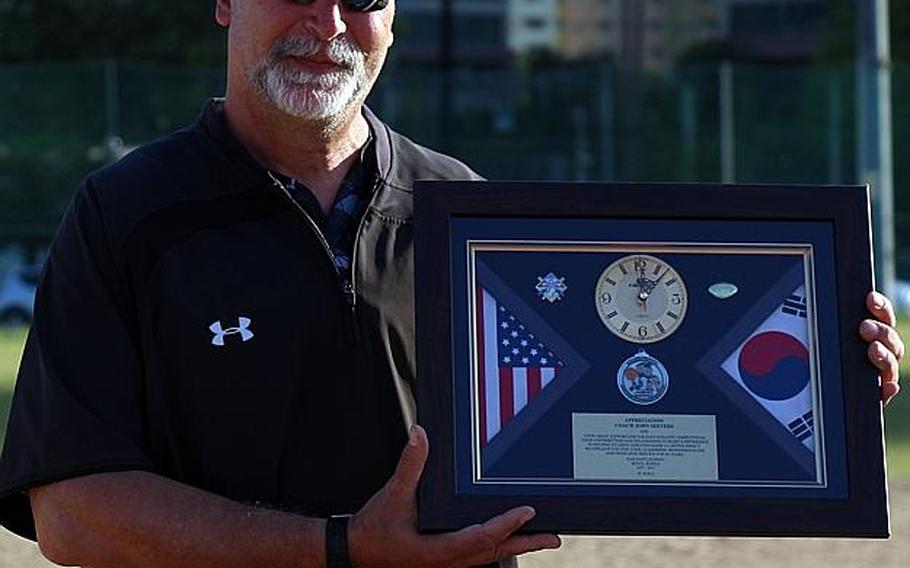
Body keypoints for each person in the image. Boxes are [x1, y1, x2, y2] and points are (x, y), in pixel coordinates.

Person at [0, 1, 901, 567]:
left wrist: (823, 367)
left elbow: (635, 378)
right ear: (224, 3)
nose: (328, 21)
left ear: (394, 22)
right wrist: (341, 551)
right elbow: (75, 516)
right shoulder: (126, 213)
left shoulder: (469, 213)